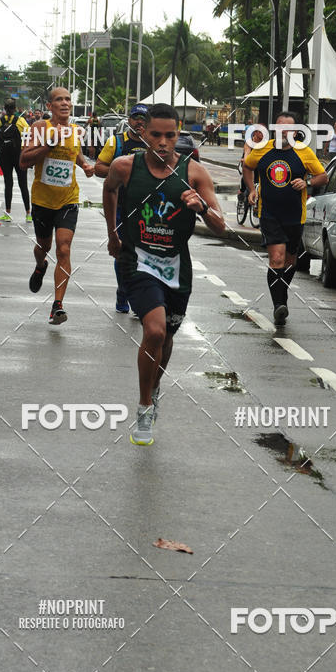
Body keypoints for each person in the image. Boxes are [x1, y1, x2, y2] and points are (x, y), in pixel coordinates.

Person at [103, 102, 225, 445]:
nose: (162, 142)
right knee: (153, 331)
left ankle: (154, 386)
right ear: (143, 134)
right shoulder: (125, 166)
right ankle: (143, 409)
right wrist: (113, 233)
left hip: (175, 267)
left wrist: (201, 208)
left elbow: (222, 227)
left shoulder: (195, 173)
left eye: (170, 135)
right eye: (155, 135)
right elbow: (109, 190)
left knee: (166, 338)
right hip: (137, 261)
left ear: (178, 135)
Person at [243, 112, 328, 326]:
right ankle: (278, 305)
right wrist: (252, 189)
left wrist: (306, 183)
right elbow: (247, 165)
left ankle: (283, 295)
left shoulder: (304, 152)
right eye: (279, 127)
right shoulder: (262, 148)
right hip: (269, 214)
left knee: (290, 262)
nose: (283, 132)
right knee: (277, 259)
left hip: (295, 216)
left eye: (288, 128)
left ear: (295, 132)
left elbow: (323, 176)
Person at [20, 87, 95, 325]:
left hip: (68, 200)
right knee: (44, 246)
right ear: (50, 106)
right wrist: (49, 145)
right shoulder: (40, 129)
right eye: (59, 100)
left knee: (63, 249)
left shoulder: (76, 131)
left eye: (68, 99)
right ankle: (40, 265)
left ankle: (57, 306)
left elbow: (77, 154)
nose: (64, 103)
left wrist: (85, 165)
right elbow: (23, 161)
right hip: (42, 201)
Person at [95, 103, 150, 312]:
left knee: (145, 255)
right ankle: (123, 291)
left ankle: (139, 298)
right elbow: (99, 167)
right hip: (120, 207)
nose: (139, 122)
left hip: (147, 209)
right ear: (129, 120)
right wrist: (121, 172)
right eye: (136, 118)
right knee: (123, 253)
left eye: (143, 119)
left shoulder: (152, 144)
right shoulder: (116, 142)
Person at [0, 100, 32, 222]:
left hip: (4, 156)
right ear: (15, 109)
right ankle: (28, 214)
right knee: (23, 184)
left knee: (8, 183)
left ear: (4, 108)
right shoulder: (21, 121)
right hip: (19, 156)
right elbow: (28, 138)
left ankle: (8, 213)